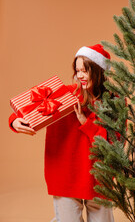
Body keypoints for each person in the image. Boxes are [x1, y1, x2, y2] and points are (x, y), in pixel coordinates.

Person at [9, 44, 114, 222]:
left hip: (99, 178)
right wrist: (14, 120)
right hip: (65, 175)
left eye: (85, 71)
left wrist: (86, 123)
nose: (79, 75)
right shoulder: (65, 93)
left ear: (99, 72)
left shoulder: (114, 102)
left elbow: (114, 144)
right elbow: (31, 104)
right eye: (77, 70)